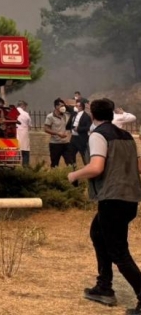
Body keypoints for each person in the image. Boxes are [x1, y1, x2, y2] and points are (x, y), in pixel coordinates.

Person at [69, 98, 141, 313]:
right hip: (129, 199)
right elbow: (139, 165)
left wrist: (74, 174)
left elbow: (96, 167)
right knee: (98, 234)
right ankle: (104, 287)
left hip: (112, 199)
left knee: (119, 251)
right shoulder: (127, 136)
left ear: (92, 115)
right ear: (111, 113)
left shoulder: (99, 135)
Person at [45, 98, 73, 168]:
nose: (63, 107)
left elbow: (73, 111)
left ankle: (72, 178)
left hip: (66, 143)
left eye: (63, 105)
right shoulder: (50, 116)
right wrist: (57, 133)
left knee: (70, 163)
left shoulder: (65, 115)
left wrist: (66, 106)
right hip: (55, 144)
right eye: (61, 106)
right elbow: (46, 129)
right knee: (54, 164)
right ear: (56, 106)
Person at [70, 100, 93, 167]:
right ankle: (73, 168)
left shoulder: (86, 116)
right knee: (71, 154)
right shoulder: (74, 114)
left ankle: (87, 168)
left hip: (81, 138)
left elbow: (88, 127)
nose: (75, 107)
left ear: (81, 107)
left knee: (84, 155)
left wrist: (78, 129)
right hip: (73, 138)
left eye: (77, 106)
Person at [15, 100, 31, 166]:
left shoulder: (11, 112)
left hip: (14, 135)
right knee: (25, 152)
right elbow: (29, 125)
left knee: (15, 152)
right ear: (23, 106)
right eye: (25, 107)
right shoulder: (25, 114)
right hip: (24, 135)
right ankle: (25, 166)